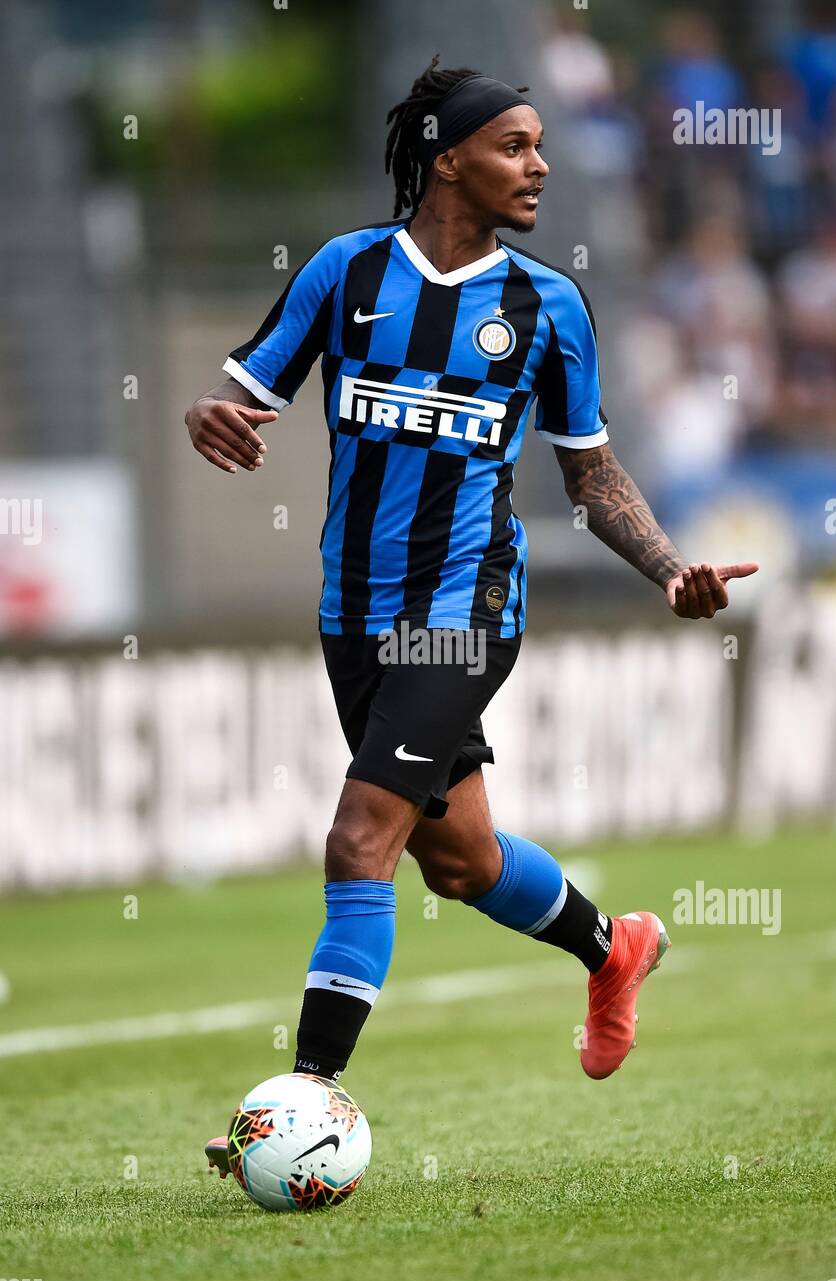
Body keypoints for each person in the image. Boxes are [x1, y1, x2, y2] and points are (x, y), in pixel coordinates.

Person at [185, 57, 757, 1176]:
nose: (538, 165)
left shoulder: (547, 307)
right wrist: (215, 418)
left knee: (362, 838)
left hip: (466, 608)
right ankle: (613, 946)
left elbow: (590, 478)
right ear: (449, 157)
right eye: (514, 146)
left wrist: (669, 570)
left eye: (541, 146)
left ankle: (303, 1101)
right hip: (352, 612)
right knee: (459, 859)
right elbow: (245, 397)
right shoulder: (344, 274)